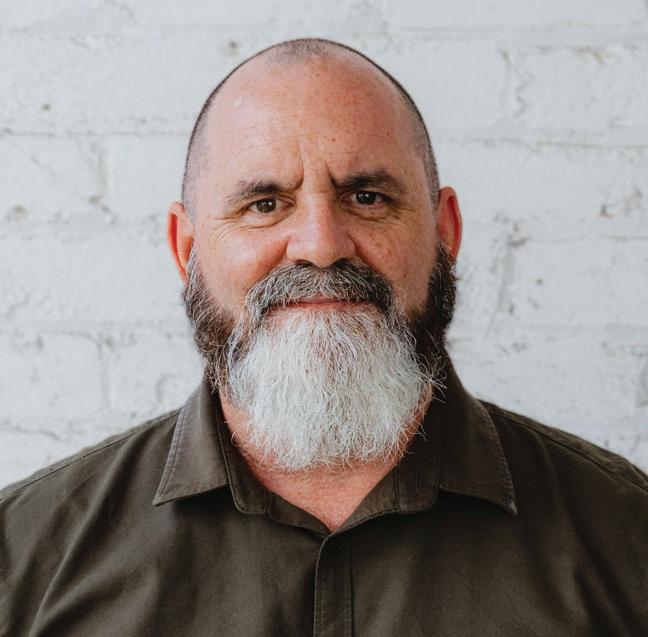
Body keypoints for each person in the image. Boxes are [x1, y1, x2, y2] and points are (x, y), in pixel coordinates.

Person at [1, 38, 646, 636]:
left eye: (367, 198)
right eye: (264, 204)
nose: (320, 245)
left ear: (445, 233)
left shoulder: (624, 538)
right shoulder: (24, 560)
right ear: (187, 249)